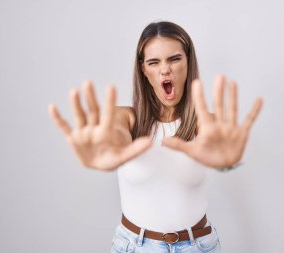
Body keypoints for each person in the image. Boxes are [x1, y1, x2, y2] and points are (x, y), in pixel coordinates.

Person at [48, 21, 263, 253]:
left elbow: (217, 146)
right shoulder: (126, 118)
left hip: (199, 246)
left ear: (188, 63)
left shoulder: (205, 123)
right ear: (143, 70)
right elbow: (116, 134)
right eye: (154, 62)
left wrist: (227, 161)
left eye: (174, 59)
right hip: (135, 246)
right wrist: (110, 146)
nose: (165, 70)